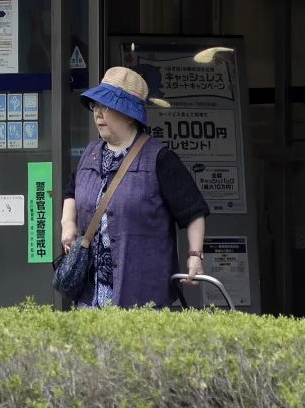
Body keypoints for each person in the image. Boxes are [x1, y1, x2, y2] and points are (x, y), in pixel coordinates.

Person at [57, 65, 210, 309]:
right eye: (96, 106)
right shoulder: (90, 154)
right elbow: (70, 190)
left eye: (106, 106)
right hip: (90, 297)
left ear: (129, 115)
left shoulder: (159, 159)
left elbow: (193, 212)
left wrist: (194, 255)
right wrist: (68, 225)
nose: (98, 114)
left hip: (141, 296)